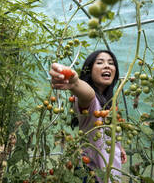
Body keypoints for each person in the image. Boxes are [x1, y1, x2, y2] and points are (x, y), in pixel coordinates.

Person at [49, 50, 127, 183]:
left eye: (111, 63)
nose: (107, 66)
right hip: (92, 175)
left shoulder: (110, 102)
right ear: (89, 70)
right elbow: (88, 94)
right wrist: (74, 83)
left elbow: (107, 131)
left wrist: (119, 147)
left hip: (110, 173)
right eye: (100, 62)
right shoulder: (89, 101)